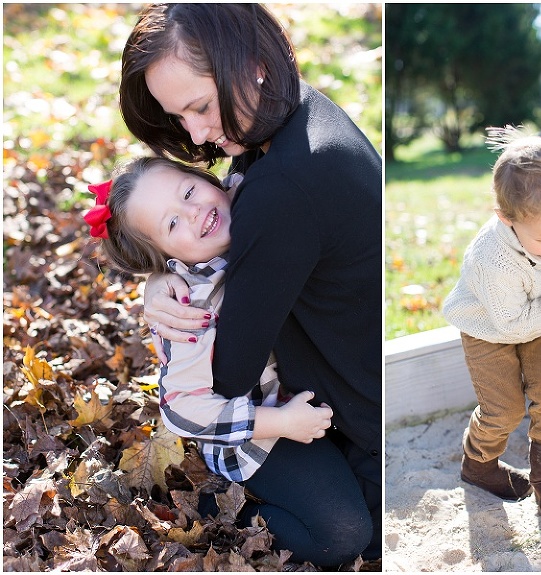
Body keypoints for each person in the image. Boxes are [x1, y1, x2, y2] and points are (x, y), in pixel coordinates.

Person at [118, 3, 382, 563]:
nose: (197, 134)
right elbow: (216, 385)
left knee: (365, 532)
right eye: (179, 116)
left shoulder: (279, 186)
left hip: (357, 406)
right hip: (285, 410)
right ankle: (232, 506)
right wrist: (163, 279)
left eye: (200, 107)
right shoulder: (300, 117)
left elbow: (230, 372)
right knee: (345, 532)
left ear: (253, 63)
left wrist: (172, 278)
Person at [83, 157, 369, 565]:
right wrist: (280, 422)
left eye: (188, 192)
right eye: (172, 224)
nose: (195, 213)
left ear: (208, 179)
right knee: (343, 535)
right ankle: (219, 508)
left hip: (310, 395)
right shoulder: (191, 308)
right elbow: (181, 408)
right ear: (161, 255)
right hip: (259, 435)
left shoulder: (253, 198)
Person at [442, 128, 541, 520]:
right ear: (506, 218)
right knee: (503, 410)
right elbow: (510, 325)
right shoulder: (493, 258)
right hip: (490, 328)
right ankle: (478, 463)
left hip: (539, 317)